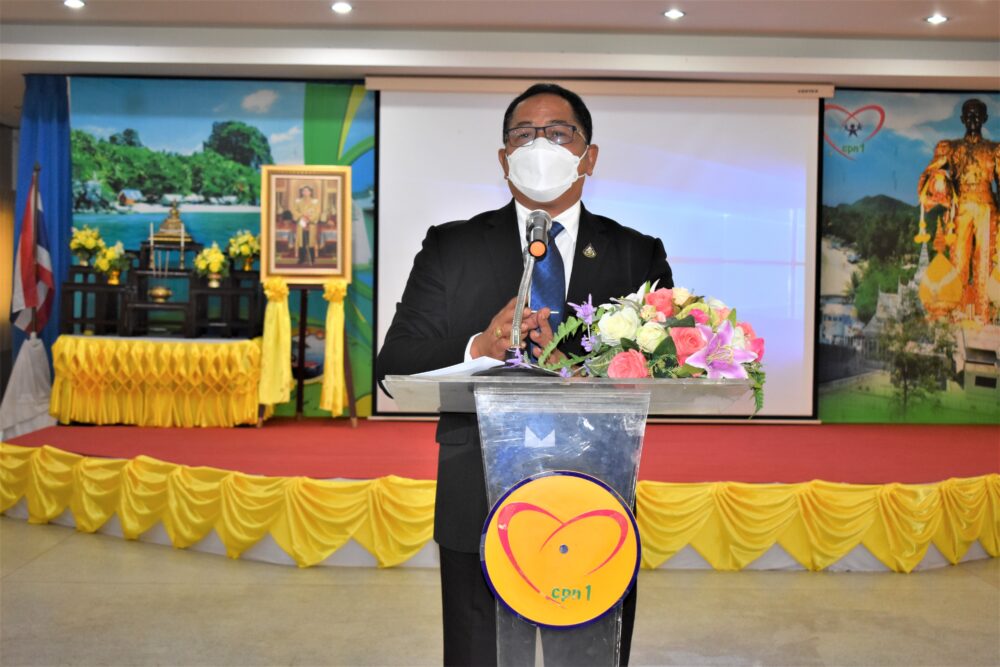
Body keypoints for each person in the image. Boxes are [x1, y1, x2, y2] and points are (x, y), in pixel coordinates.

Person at [377, 83, 672, 666]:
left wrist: (584, 371)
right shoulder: (451, 246)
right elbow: (396, 361)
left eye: (558, 133)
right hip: (476, 488)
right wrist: (478, 346)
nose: (540, 146)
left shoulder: (636, 253)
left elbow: (664, 366)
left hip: (595, 488)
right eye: (524, 135)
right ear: (503, 156)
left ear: (589, 156)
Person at [917, 98, 999, 321]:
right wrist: (939, 182)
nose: (973, 118)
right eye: (969, 114)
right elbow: (932, 172)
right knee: (959, 259)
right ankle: (956, 314)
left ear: (984, 119)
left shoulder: (994, 150)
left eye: (977, 114)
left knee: (984, 260)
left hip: (986, 207)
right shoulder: (951, 148)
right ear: (962, 119)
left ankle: (983, 314)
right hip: (960, 206)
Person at [292, 185, 321, 265]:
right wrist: (302, 216)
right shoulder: (297, 201)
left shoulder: (315, 201)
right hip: (301, 223)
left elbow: (317, 212)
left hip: (311, 224)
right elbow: (294, 211)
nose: (305, 192)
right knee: (302, 242)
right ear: (301, 192)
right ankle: (301, 259)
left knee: (311, 241)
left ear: (310, 192)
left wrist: (309, 219)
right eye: (304, 191)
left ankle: (312, 259)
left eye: (307, 191)